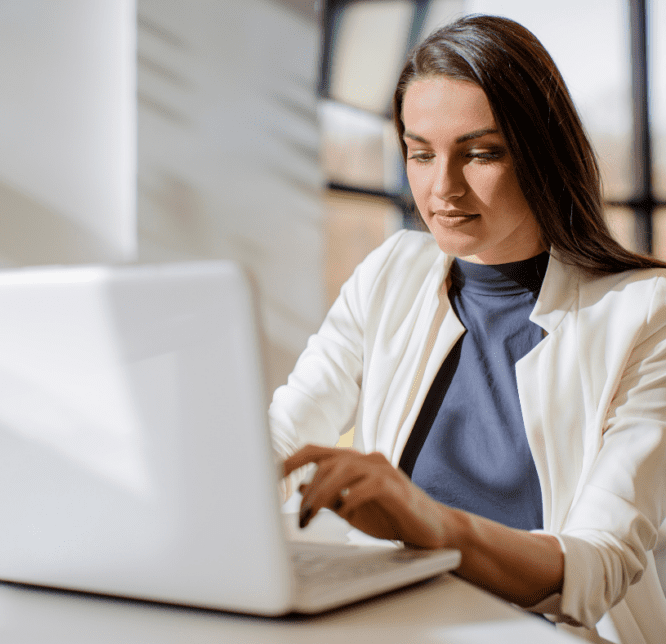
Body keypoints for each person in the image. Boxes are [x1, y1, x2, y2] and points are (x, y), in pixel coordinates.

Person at [271, 14, 666, 644]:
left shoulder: (646, 313)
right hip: (397, 626)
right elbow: (286, 432)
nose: (442, 188)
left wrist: (431, 523)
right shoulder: (391, 272)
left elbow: (600, 564)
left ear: (540, 152)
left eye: (481, 152)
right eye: (421, 153)